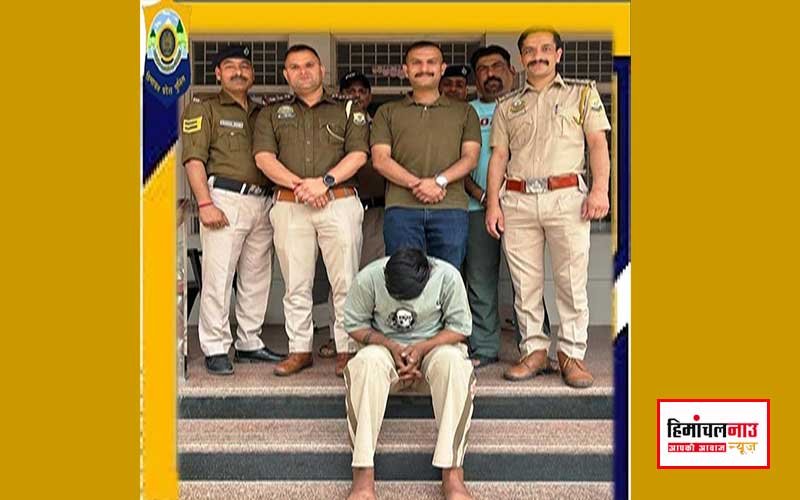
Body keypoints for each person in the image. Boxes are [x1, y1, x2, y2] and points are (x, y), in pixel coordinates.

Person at [485, 28, 611, 388]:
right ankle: (534, 351)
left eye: (544, 49)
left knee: (571, 281)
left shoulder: (582, 94)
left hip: (566, 197)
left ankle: (571, 354)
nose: (536, 56)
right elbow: (499, 156)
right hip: (518, 199)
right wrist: (493, 204)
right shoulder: (507, 105)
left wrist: (600, 191)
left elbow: (597, 144)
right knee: (525, 283)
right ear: (521, 58)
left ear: (558, 54)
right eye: (529, 50)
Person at [253, 44, 369, 377]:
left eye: (309, 65)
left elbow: (359, 155)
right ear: (286, 74)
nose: (302, 71)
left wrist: (325, 183)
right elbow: (264, 159)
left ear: (321, 70)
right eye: (295, 67)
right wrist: (304, 187)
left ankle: (347, 349)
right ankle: (299, 349)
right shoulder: (271, 113)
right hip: (290, 205)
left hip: (339, 202)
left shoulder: (348, 109)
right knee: (296, 284)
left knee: (346, 280)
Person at [180, 45, 286, 376]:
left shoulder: (262, 113)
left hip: (263, 201)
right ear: (218, 73)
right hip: (225, 199)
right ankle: (215, 346)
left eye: (244, 66)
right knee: (219, 275)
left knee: (257, 275)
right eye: (230, 66)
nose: (238, 72)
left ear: (252, 73)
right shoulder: (204, 108)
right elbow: (193, 159)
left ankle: (249, 342)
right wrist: (205, 203)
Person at [343, 248, 475, 500]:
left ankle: (453, 476)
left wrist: (422, 349)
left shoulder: (446, 276)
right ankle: (362, 477)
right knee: (365, 362)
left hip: (432, 351)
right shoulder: (369, 278)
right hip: (385, 353)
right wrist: (391, 346)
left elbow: (460, 328)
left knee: (454, 362)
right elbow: (354, 324)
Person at [371, 41, 481, 269]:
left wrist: (439, 182)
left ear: (442, 68)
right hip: (401, 208)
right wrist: (418, 185)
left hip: (450, 208)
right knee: (404, 276)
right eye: (416, 63)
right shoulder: (387, 112)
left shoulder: (464, 112)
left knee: (447, 276)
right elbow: (380, 160)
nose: (424, 68)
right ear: (405, 70)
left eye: (431, 62)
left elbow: (470, 158)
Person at [319, 71, 388, 362]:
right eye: (350, 90)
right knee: (341, 277)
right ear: (341, 94)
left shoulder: (381, 124)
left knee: (374, 276)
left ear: (369, 96)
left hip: (375, 209)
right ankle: (339, 339)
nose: (356, 95)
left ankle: (370, 336)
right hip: (341, 205)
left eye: (361, 90)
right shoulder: (335, 123)